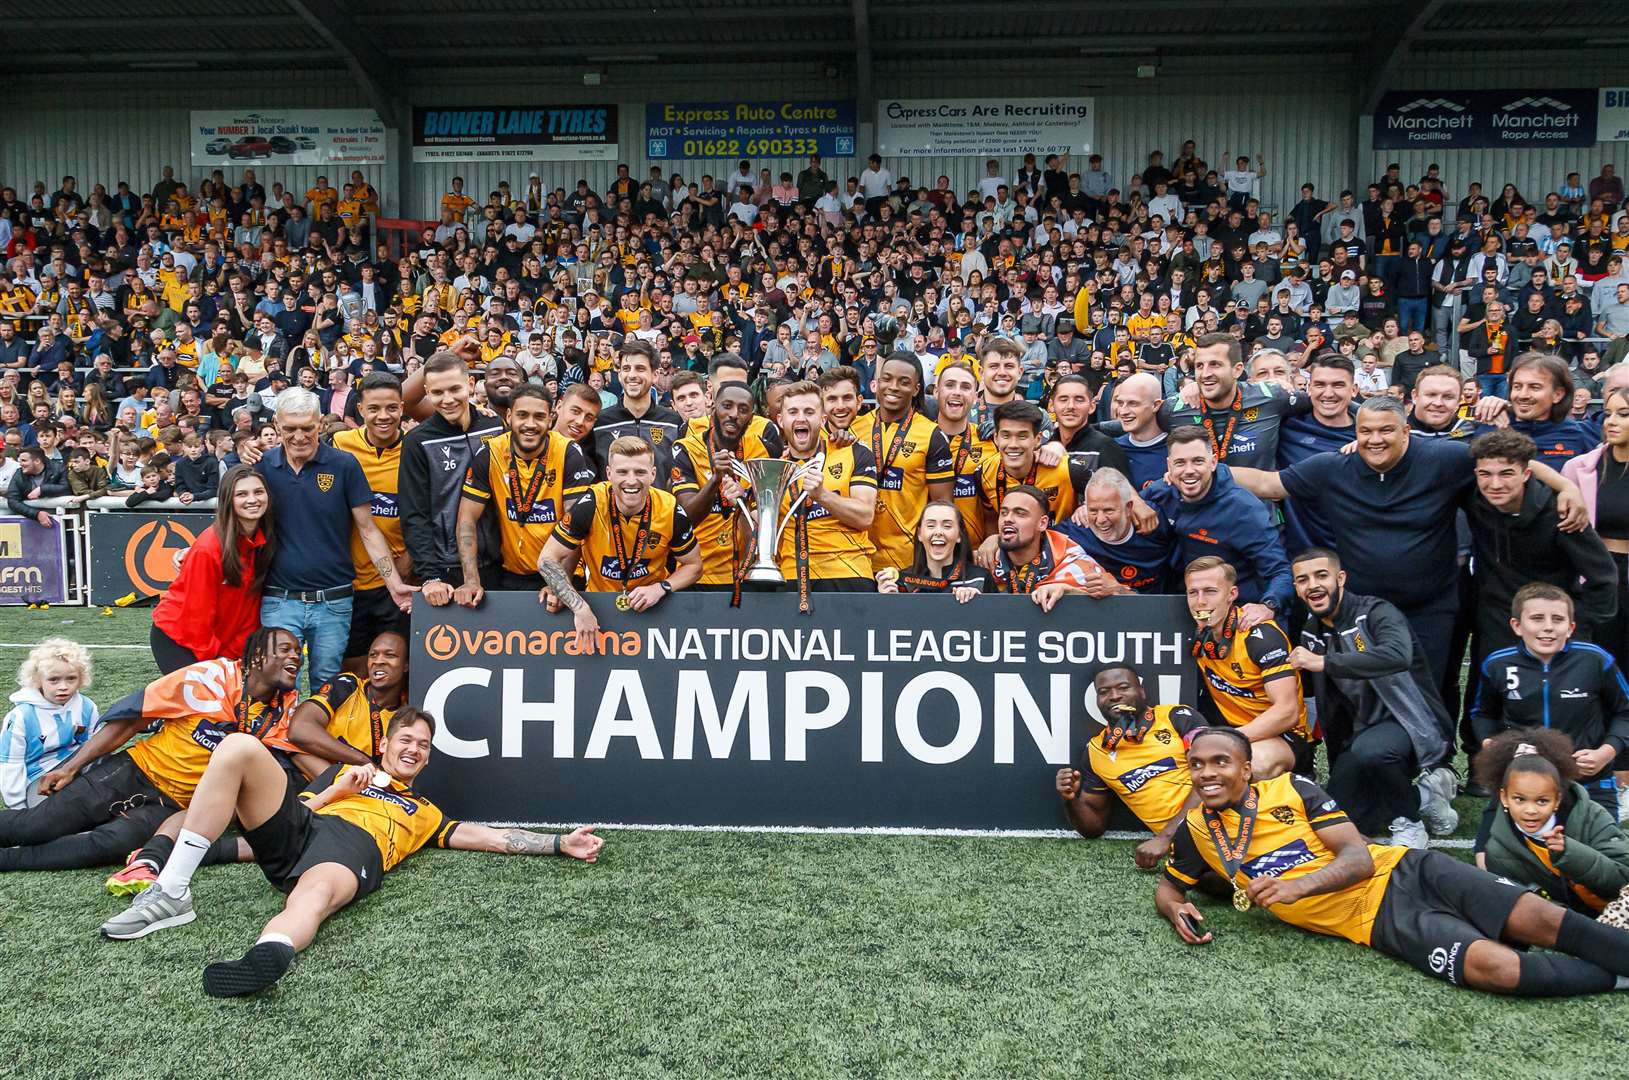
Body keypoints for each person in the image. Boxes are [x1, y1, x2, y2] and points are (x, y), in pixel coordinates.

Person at [98, 707, 604, 996]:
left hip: (348, 851)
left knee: (313, 895)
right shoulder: (345, 774)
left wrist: (559, 843)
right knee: (236, 747)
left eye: (424, 746)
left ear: (427, 758)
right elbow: (296, 810)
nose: (414, 749)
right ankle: (172, 893)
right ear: (386, 745)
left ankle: (266, 955)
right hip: (307, 822)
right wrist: (335, 792)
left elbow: (493, 838)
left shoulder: (426, 813)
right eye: (407, 739)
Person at [1156, 726, 1629, 997]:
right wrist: (1176, 908)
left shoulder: (1292, 789)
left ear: (1245, 768)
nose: (1206, 773)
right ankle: (1615, 979)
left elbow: (1358, 858)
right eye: (1197, 764)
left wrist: (1298, 887)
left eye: (1219, 762)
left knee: (1541, 918)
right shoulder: (1196, 830)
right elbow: (1169, 886)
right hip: (1378, 921)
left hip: (1407, 869)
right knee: (1499, 971)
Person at [1232, 396, 1587, 685]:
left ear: (1406, 431)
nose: (1375, 439)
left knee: (1431, 686)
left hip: (1431, 605)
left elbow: (1510, 460)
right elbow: (1269, 483)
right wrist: (1204, 467)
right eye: (1366, 431)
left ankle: (1438, 765)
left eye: (1386, 430)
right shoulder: (1331, 468)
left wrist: (1567, 486)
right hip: (1362, 608)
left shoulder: (1443, 458)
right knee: (1365, 688)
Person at [0, 629, 301, 872]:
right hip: (135, 771)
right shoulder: (209, 679)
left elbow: (295, 755)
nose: (296, 657)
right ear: (258, 655)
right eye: (285, 649)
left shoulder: (283, 711)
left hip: (172, 805)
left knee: (108, 845)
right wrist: (71, 767)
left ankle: (9, 862)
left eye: (298, 652)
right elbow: (131, 721)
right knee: (36, 825)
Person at [1287, 549, 1459, 848]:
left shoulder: (1377, 612)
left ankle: (1410, 824)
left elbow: (1397, 655)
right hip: (1362, 732)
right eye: (1302, 580)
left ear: (1341, 578)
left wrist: (1325, 662)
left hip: (1409, 722)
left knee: (1373, 751)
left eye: (1321, 575)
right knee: (1345, 815)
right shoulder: (1311, 633)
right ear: (1297, 589)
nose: (1312, 585)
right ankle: (1427, 796)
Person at [253, 390, 411, 694]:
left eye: (307, 428)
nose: (299, 436)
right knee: (275, 683)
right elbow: (238, 522)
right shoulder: (262, 467)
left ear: (320, 424)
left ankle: (316, 741)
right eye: (290, 429)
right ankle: (272, 743)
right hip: (279, 599)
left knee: (327, 685)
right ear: (277, 424)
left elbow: (368, 529)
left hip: (334, 601)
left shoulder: (344, 465)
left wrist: (394, 583)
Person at [1472, 584, 1629, 830]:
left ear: (1571, 627)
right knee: (1487, 860)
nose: (1548, 627)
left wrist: (1605, 753)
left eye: (1557, 619)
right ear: (1517, 625)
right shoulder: (1498, 664)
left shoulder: (1596, 660)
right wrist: (1491, 744)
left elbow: (1625, 712)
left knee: (1607, 864)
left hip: (1589, 781)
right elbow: (1483, 715)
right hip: (1523, 783)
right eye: (1537, 619)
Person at [1464, 429, 1617, 665]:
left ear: (1526, 474)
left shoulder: (1563, 513)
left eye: (1507, 474)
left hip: (1550, 632)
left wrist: (1577, 629)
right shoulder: (1474, 500)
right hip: (1494, 628)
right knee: (1490, 699)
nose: (1495, 484)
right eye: (1485, 474)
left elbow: (1603, 576)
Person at [537, 436, 702, 641]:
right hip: (598, 608)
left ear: (652, 475)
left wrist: (661, 588)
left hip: (653, 608)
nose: (631, 481)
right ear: (609, 474)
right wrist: (579, 608)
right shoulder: (591, 503)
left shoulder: (670, 509)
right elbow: (546, 559)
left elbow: (694, 566)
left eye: (640, 472)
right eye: (622, 472)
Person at [1056, 664, 1206, 867]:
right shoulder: (1096, 752)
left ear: (1142, 692)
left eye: (1124, 687)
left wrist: (1166, 837)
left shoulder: (1177, 717)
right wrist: (1070, 800)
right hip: (1191, 845)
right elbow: (1094, 829)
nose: (1114, 696)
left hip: (1224, 817)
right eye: (1104, 692)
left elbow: (1213, 776)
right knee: (1204, 878)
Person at [454, 385, 594, 598]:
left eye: (539, 416)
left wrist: (561, 584)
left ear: (550, 419)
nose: (530, 424)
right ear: (509, 416)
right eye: (522, 415)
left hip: (560, 572)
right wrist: (471, 580)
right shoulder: (491, 452)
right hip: (510, 573)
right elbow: (467, 519)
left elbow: (574, 524)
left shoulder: (568, 452)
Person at [1142, 426, 1292, 624]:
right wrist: (1129, 501)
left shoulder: (1243, 509)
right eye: (1180, 463)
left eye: (1198, 461)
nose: (1189, 471)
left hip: (1239, 614)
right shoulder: (1163, 491)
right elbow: (1119, 507)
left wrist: (1268, 606)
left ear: (1213, 462)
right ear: (1169, 466)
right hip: (1183, 607)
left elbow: (1280, 571)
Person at [1474, 728, 1629, 917]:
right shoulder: (1498, 851)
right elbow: (1518, 912)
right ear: (1503, 798)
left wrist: (1571, 853)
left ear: (1558, 799)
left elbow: (1622, 880)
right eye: (1520, 799)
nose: (1530, 810)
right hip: (1577, 930)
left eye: (1542, 801)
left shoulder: (1593, 816)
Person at [1183, 557, 1313, 779]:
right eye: (1193, 593)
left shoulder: (1260, 635)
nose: (1200, 602)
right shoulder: (1197, 631)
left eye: (1210, 591)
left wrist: (1227, 738)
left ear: (1232, 595)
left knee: (1252, 764)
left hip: (1283, 736)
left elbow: (1287, 712)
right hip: (1232, 730)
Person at [398, 351, 506, 604]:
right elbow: (414, 514)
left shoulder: (495, 426)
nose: (447, 399)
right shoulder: (417, 441)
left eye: (454, 389)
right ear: (426, 391)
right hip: (446, 570)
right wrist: (430, 577)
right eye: (437, 393)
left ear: (470, 384)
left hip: (502, 563)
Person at [149, 465, 274, 673]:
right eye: (241, 494)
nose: (252, 500)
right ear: (228, 500)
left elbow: (249, 611)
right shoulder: (209, 547)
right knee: (199, 703)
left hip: (220, 641)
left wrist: (236, 655)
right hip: (180, 638)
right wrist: (215, 664)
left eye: (258, 492)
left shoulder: (263, 541)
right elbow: (196, 617)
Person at [329, 372, 410, 671]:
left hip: (398, 582)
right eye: (374, 409)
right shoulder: (340, 443)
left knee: (396, 666)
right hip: (349, 582)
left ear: (402, 407)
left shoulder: (415, 450)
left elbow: (427, 517)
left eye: (391, 408)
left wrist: (407, 565)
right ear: (360, 410)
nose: (383, 416)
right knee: (352, 666)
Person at [772, 380, 879, 604]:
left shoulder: (854, 452)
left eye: (809, 411)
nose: (801, 418)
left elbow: (866, 516)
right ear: (781, 420)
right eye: (793, 412)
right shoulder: (773, 469)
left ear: (822, 420)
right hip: (791, 576)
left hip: (848, 573)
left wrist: (823, 496)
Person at [671, 382, 783, 590]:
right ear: (713, 409)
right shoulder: (686, 449)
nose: (734, 414)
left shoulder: (765, 451)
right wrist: (715, 481)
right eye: (727, 406)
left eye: (743, 410)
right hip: (698, 577)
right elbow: (687, 519)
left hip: (749, 576)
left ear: (751, 419)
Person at [850, 352, 953, 573]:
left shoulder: (931, 434)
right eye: (887, 379)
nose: (893, 387)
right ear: (876, 383)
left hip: (908, 561)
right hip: (857, 558)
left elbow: (942, 507)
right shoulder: (853, 428)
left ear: (916, 389)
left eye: (904, 382)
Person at [0, 638, 99, 810]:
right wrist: (19, 809)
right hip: (38, 779)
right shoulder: (21, 716)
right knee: (51, 815)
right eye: (54, 680)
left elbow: (94, 746)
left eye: (71, 679)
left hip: (74, 766)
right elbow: (11, 765)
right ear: (38, 680)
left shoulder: (87, 706)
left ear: (81, 678)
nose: (63, 686)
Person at [1056, 468, 1175, 595]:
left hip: (1158, 609)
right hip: (1098, 612)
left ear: (1129, 507)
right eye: (1093, 511)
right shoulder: (1073, 533)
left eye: (1109, 510)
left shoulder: (1154, 520)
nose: (1100, 519)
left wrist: (1120, 590)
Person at [987, 484, 1099, 611]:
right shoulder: (986, 559)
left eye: (1020, 514)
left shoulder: (1072, 561)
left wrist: (1070, 592)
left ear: (1042, 523)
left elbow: (1115, 604)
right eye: (1004, 513)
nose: (1008, 519)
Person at [591, 339, 684, 486]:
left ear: (655, 375)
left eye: (640, 369)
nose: (632, 375)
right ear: (620, 374)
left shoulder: (673, 422)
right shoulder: (599, 423)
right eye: (626, 368)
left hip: (662, 507)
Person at [875, 499, 986, 602]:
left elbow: (996, 619)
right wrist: (885, 601)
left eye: (947, 526)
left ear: (959, 535)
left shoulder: (979, 578)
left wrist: (977, 602)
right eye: (931, 525)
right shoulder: (902, 582)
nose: (938, 532)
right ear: (919, 534)